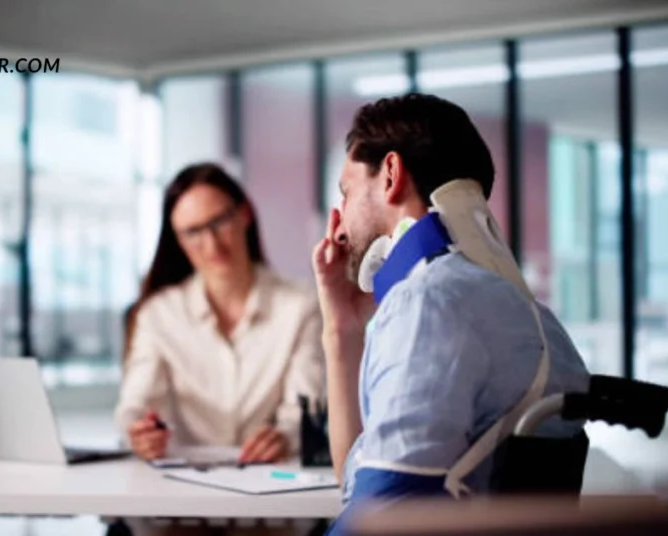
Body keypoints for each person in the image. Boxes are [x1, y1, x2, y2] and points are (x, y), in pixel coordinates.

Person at [311, 94, 591, 532]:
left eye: (346, 193)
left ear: (390, 174)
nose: (340, 222)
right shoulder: (532, 314)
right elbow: (360, 477)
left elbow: (383, 515)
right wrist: (341, 326)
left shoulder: (426, 303)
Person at [113, 162, 326, 535]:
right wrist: (140, 431)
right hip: (180, 508)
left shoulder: (301, 304)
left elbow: (305, 405)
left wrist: (284, 435)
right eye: (193, 232)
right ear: (177, 240)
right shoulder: (158, 314)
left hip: (272, 505)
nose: (211, 244)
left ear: (244, 214)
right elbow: (136, 405)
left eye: (219, 222)